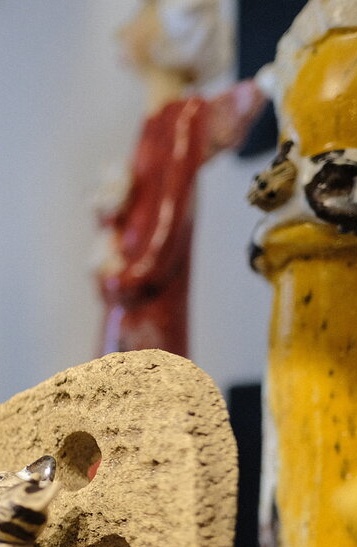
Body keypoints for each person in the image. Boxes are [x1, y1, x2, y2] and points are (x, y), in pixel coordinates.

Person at [97, 0, 263, 357]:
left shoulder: (180, 120)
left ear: (169, 33)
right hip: (128, 299)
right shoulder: (154, 122)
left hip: (145, 300)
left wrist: (126, 276)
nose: (121, 32)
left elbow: (168, 218)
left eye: (139, 17)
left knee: (143, 385)